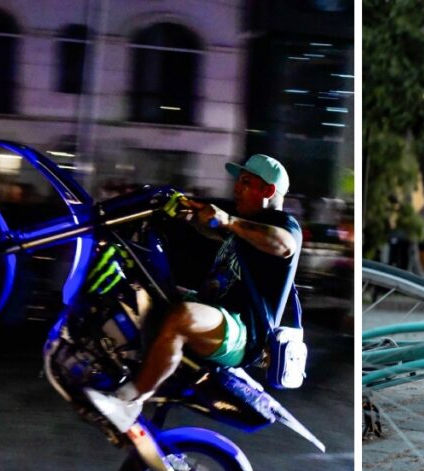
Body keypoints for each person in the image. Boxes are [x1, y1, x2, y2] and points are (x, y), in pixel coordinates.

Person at [87, 153, 301, 432]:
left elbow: (283, 245)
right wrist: (185, 210)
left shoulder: (284, 226)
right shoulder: (243, 230)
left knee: (182, 317)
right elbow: (207, 227)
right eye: (238, 181)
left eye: (246, 182)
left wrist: (228, 220)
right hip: (216, 313)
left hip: (244, 334)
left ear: (268, 191)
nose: (236, 188)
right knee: (146, 288)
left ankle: (129, 401)